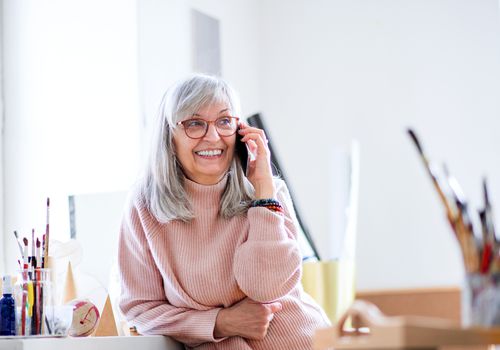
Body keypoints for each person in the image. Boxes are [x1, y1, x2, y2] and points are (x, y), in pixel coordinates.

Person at [118, 74, 330, 349]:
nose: (213, 136)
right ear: (170, 137)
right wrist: (221, 322)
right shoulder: (144, 207)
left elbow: (269, 288)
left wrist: (263, 189)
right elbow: (141, 311)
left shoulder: (268, 192)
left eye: (224, 121)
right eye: (195, 123)